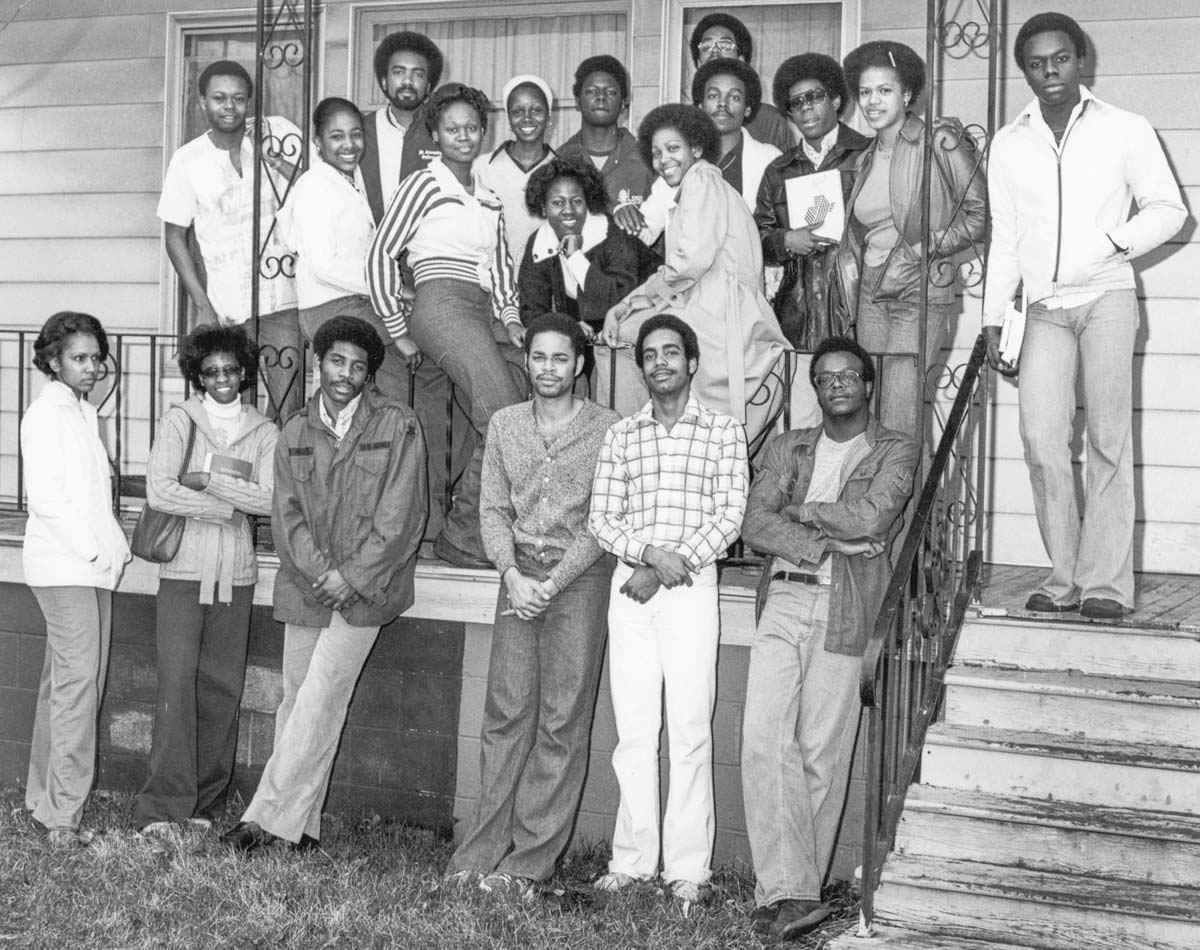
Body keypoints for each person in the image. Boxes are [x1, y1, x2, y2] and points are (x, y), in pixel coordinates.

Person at [983, 12, 1186, 620]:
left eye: (1061, 58)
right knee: (1042, 441)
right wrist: (994, 316)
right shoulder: (1008, 141)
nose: (1051, 72)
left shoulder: (1125, 128)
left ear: (1081, 60)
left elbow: (1169, 210)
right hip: (1042, 309)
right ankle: (1063, 574)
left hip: (1107, 299)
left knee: (1107, 441)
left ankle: (1106, 584)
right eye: (1038, 63)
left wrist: (1113, 245)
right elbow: (1006, 237)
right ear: (1025, 70)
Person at [222, 315, 428, 853]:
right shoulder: (293, 429)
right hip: (308, 585)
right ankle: (302, 830)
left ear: (368, 374)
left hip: (367, 592)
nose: (346, 374)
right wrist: (323, 574)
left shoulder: (398, 425)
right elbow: (284, 515)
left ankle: (261, 818)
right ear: (319, 363)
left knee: (318, 699)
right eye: (337, 361)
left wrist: (352, 578)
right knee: (298, 702)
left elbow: (402, 516)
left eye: (358, 366)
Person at [739, 336, 918, 940]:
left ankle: (792, 895)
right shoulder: (791, 447)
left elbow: (874, 519)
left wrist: (802, 511)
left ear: (868, 385)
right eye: (823, 377)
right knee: (763, 737)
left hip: (846, 604)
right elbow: (752, 520)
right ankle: (794, 889)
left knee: (821, 752)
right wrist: (824, 538)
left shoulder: (897, 447)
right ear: (815, 389)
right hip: (786, 596)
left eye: (848, 375)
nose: (836, 383)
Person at [444, 314, 620, 896]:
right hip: (517, 577)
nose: (548, 369)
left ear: (579, 365)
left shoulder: (607, 429)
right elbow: (492, 508)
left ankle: (527, 866)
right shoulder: (505, 424)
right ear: (528, 362)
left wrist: (556, 579)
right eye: (539, 358)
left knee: (561, 721)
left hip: (580, 580)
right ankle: (477, 856)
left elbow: (605, 519)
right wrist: (513, 575)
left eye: (560, 359)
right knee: (505, 716)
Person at [588, 314, 748, 903]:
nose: (661, 363)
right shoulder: (621, 435)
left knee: (688, 729)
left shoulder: (724, 433)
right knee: (633, 731)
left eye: (671, 352)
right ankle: (631, 861)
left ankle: (687, 870)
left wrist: (668, 568)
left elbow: (729, 515)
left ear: (692, 361)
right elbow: (602, 518)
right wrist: (647, 556)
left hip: (688, 593)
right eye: (650, 355)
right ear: (642, 367)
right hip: (630, 593)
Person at [367, 83, 528, 569]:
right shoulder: (422, 184)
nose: (463, 135)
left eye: (472, 127)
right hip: (440, 303)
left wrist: (514, 321)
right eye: (452, 128)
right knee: (502, 410)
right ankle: (464, 534)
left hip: (484, 310)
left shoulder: (490, 195)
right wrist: (396, 325)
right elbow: (380, 253)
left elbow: (501, 268)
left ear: (484, 131)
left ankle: (480, 523)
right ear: (434, 134)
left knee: (525, 399)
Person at [133, 325, 278, 837]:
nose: (222, 379)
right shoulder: (180, 420)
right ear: (197, 374)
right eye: (211, 370)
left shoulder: (264, 431)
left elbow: (273, 499)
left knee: (222, 690)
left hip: (235, 580)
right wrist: (224, 504)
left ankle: (204, 805)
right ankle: (162, 808)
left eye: (231, 370)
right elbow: (160, 490)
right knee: (175, 687)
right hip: (182, 577)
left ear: (245, 372)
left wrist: (208, 480)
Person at [602, 105, 786, 449]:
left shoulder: (702, 180)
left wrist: (628, 305)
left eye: (673, 149)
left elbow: (688, 263)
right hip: (717, 307)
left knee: (614, 341)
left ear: (697, 149)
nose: (662, 160)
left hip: (719, 313)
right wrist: (629, 302)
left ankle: (633, 445)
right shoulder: (700, 185)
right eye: (656, 153)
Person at [835, 40, 987, 440]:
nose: (872, 101)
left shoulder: (938, 141)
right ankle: (881, 502)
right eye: (865, 92)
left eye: (884, 90)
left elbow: (980, 216)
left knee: (899, 415)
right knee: (871, 413)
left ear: (906, 94)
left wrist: (928, 246)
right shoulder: (865, 157)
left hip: (918, 289)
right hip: (871, 292)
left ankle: (906, 504)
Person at [21, 311, 131, 848]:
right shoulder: (46, 416)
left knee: (59, 685)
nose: (92, 367)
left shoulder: (83, 412)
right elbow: (45, 500)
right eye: (78, 358)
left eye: (96, 357)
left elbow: (89, 493)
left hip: (89, 569)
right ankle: (63, 818)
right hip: (66, 567)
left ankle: (42, 800)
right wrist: (95, 551)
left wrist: (107, 554)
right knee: (77, 689)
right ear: (51, 361)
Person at [157, 60, 305, 421]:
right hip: (227, 307)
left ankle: (279, 476)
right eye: (220, 98)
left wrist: (275, 160)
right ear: (202, 101)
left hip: (282, 297)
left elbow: (316, 187)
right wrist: (202, 303)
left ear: (250, 101)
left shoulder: (279, 135)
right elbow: (175, 236)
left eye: (239, 98)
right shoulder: (188, 160)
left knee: (289, 404)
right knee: (231, 406)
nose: (230, 107)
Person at [756, 54, 870, 350]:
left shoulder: (867, 155)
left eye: (814, 97)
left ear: (835, 100)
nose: (805, 106)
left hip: (857, 303)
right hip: (798, 311)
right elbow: (756, 238)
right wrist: (786, 240)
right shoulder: (778, 170)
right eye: (796, 102)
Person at [620, 58, 781, 247]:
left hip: (746, 273)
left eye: (734, 97)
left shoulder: (769, 159)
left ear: (747, 109)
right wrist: (624, 215)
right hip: (687, 274)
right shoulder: (680, 160)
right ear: (700, 106)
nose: (723, 103)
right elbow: (646, 231)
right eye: (713, 96)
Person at [518, 158, 644, 395]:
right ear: (544, 208)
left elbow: (619, 300)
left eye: (577, 201)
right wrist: (567, 326)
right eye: (557, 202)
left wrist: (575, 256)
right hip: (587, 332)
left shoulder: (611, 232)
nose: (568, 210)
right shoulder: (539, 243)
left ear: (588, 204)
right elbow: (531, 310)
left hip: (631, 325)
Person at [475, 75, 558, 276]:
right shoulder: (482, 167)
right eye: (518, 111)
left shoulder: (563, 170)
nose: (527, 117)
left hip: (546, 284)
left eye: (536, 110)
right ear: (509, 119)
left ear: (548, 118)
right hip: (493, 283)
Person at [360, 30, 444, 222]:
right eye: (399, 72)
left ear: (429, 86)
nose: (408, 81)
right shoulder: (362, 130)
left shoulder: (443, 131)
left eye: (418, 74)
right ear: (383, 81)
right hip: (371, 246)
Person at [556, 56, 655, 214]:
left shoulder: (648, 160)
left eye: (610, 92)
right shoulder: (559, 161)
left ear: (623, 104)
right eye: (591, 91)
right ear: (577, 101)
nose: (601, 96)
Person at [687, 12, 794, 153]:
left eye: (725, 46)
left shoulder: (770, 121)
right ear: (699, 62)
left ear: (741, 60)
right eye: (706, 46)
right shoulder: (682, 121)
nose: (715, 52)